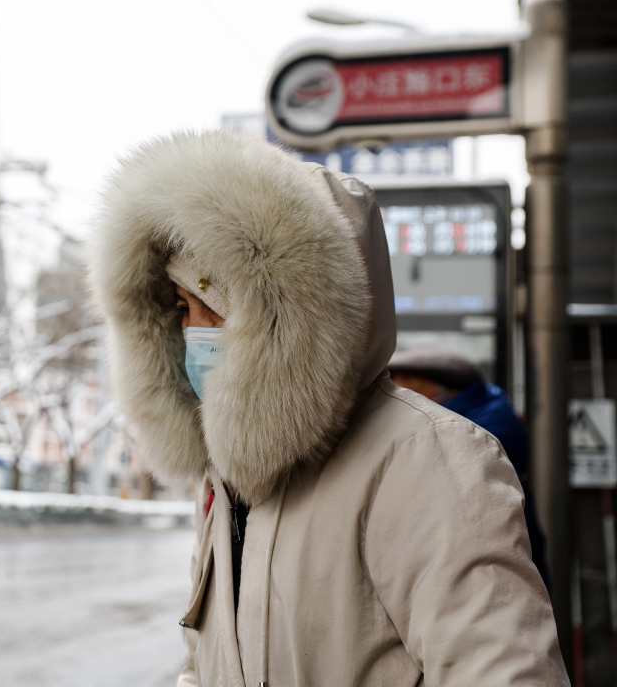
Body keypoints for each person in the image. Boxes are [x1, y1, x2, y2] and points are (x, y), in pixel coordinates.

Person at [88, 129, 567, 686]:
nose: (192, 331)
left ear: (294, 314)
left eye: (213, 307)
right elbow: (206, 659)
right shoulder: (227, 474)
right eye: (180, 308)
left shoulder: (425, 458)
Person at [388, 349, 550, 585]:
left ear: (431, 389)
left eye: (406, 385)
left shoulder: (471, 429)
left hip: (488, 559)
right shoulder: (486, 407)